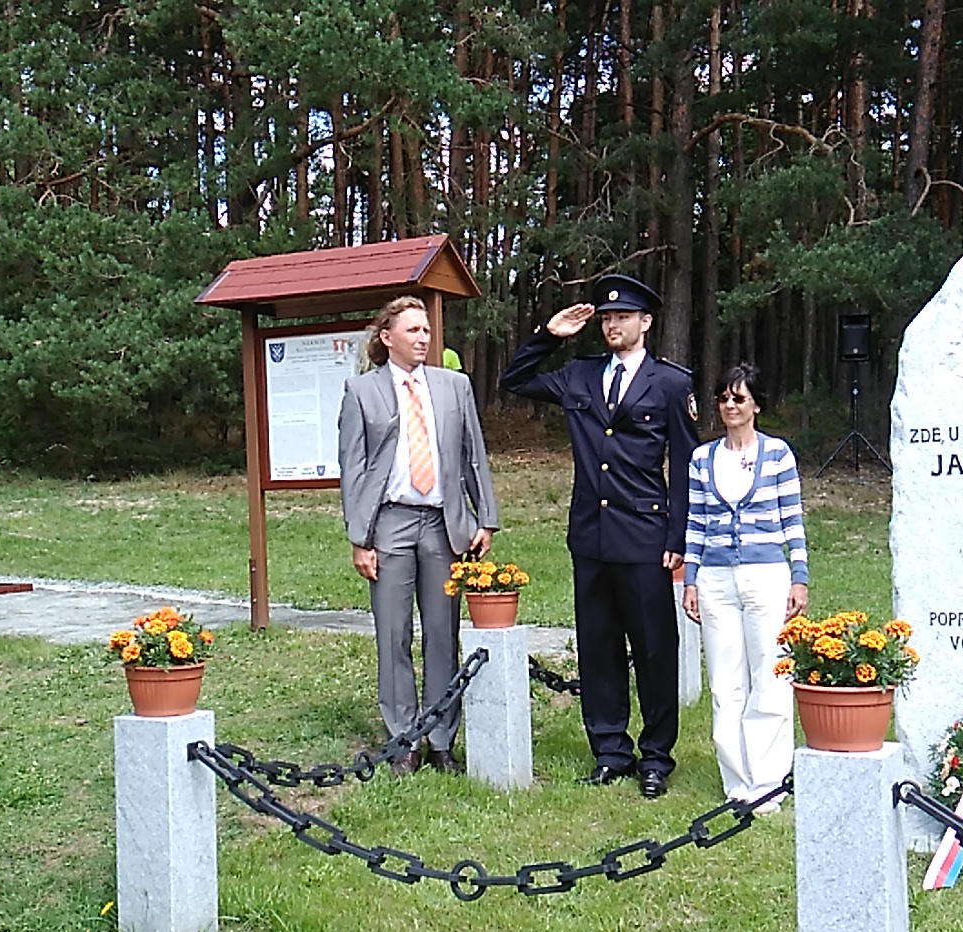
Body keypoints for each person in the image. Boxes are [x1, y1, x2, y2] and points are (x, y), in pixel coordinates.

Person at [502, 273, 696, 798]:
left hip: (645, 536)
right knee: (598, 648)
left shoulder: (670, 383)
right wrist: (549, 334)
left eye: (623, 317)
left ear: (645, 323)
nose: (613, 325)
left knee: (654, 650)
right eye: (607, 318)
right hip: (591, 536)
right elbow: (515, 379)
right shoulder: (581, 375)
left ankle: (656, 756)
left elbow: (684, 465)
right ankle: (610, 751)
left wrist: (678, 536)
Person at [339, 296, 499, 774]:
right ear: (387, 337)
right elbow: (352, 469)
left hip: (443, 523)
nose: (423, 338)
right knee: (393, 633)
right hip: (390, 522)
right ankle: (403, 739)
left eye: (426, 330)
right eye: (412, 330)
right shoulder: (361, 391)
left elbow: (473, 455)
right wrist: (360, 538)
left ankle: (441, 739)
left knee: (442, 633)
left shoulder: (454, 387)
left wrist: (485, 518)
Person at [680, 364, 808, 811]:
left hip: (766, 575)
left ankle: (768, 781)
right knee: (725, 683)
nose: (730, 406)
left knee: (770, 678)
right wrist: (690, 579)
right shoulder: (702, 458)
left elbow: (793, 520)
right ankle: (737, 781)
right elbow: (695, 523)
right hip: (715, 579)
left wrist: (799, 577)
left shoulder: (778, 455)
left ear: (756, 405)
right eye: (723, 399)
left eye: (739, 398)